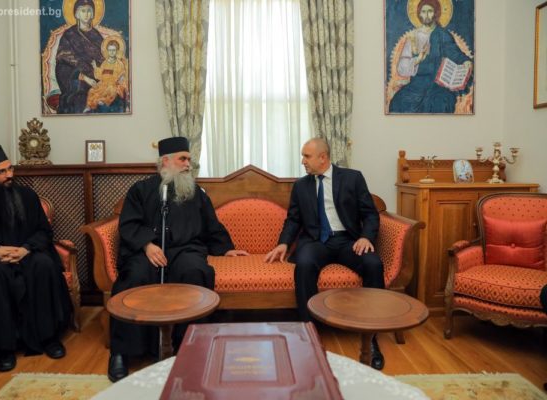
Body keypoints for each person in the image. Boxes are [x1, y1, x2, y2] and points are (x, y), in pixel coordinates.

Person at [108, 137, 248, 382]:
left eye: (188, 160)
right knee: (134, 277)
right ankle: (122, 352)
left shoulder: (195, 193)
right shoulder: (140, 190)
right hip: (148, 251)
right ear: (165, 161)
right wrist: (147, 245)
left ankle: (189, 347)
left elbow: (211, 225)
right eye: (183, 159)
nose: (187, 165)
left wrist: (225, 249)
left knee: (195, 272)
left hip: (185, 249)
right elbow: (128, 224)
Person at [264, 138, 386, 370]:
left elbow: (370, 214)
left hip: (348, 241)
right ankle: (309, 334)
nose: (303, 161)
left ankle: (371, 339)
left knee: (373, 264)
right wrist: (283, 244)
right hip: (316, 241)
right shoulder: (301, 186)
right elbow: (293, 219)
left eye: (306, 156)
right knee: (304, 264)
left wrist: (365, 237)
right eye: (303, 156)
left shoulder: (352, 178)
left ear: (323, 157)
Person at [0, 145, 71, 372]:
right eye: (1, 171)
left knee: (44, 265)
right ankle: (4, 348)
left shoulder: (27, 196)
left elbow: (44, 231)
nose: (9, 175)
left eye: (10, 169)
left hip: (29, 254)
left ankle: (49, 338)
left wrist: (25, 249)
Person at [388, 0, 472, 113]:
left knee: (439, 103)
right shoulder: (413, 37)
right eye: (423, 11)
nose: (426, 15)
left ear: (436, 13)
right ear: (419, 14)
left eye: (430, 11)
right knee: (398, 101)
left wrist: (465, 61)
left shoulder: (443, 35)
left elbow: (454, 53)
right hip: (417, 84)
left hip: (439, 85)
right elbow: (401, 68)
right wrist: (418, 59)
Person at [55, 0, 104, 114]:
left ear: (93, 14)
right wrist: (85, 77)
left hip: (97, 78)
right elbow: (63, 61)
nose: (86, 14)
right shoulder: (69, 35)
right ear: (76, 14)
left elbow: (103, 59)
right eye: (83, 11)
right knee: (81, 97)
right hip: (77, 81)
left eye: (89, 11)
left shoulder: (96, 35)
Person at [85, 38, 128, 113]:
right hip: (103, 84)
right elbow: (100, 76)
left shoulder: (119, 64)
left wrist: (120, 80)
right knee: (92, 90)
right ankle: (89, 106)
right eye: (110, 50)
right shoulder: (104, 63)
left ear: (117, 51)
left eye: (113, 50)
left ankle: (102, 100)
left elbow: (122, 76)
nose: (112, 52)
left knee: (110, 90)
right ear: (107, 51)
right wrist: (95, 67)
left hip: (113, 85)